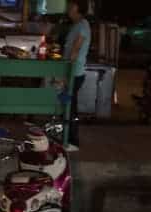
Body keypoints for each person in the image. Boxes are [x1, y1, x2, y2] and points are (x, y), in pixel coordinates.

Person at [64, 0, 90, 152]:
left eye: (71, 6)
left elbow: (75, 50)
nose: (68, 9)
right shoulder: (76, 25)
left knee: (71, 107)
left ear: (77, 8)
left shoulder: (83, 25)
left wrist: (66, 73)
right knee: (66, 104)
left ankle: (73, 141)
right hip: (70, 72)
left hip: (74, 73)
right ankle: (66, 137)